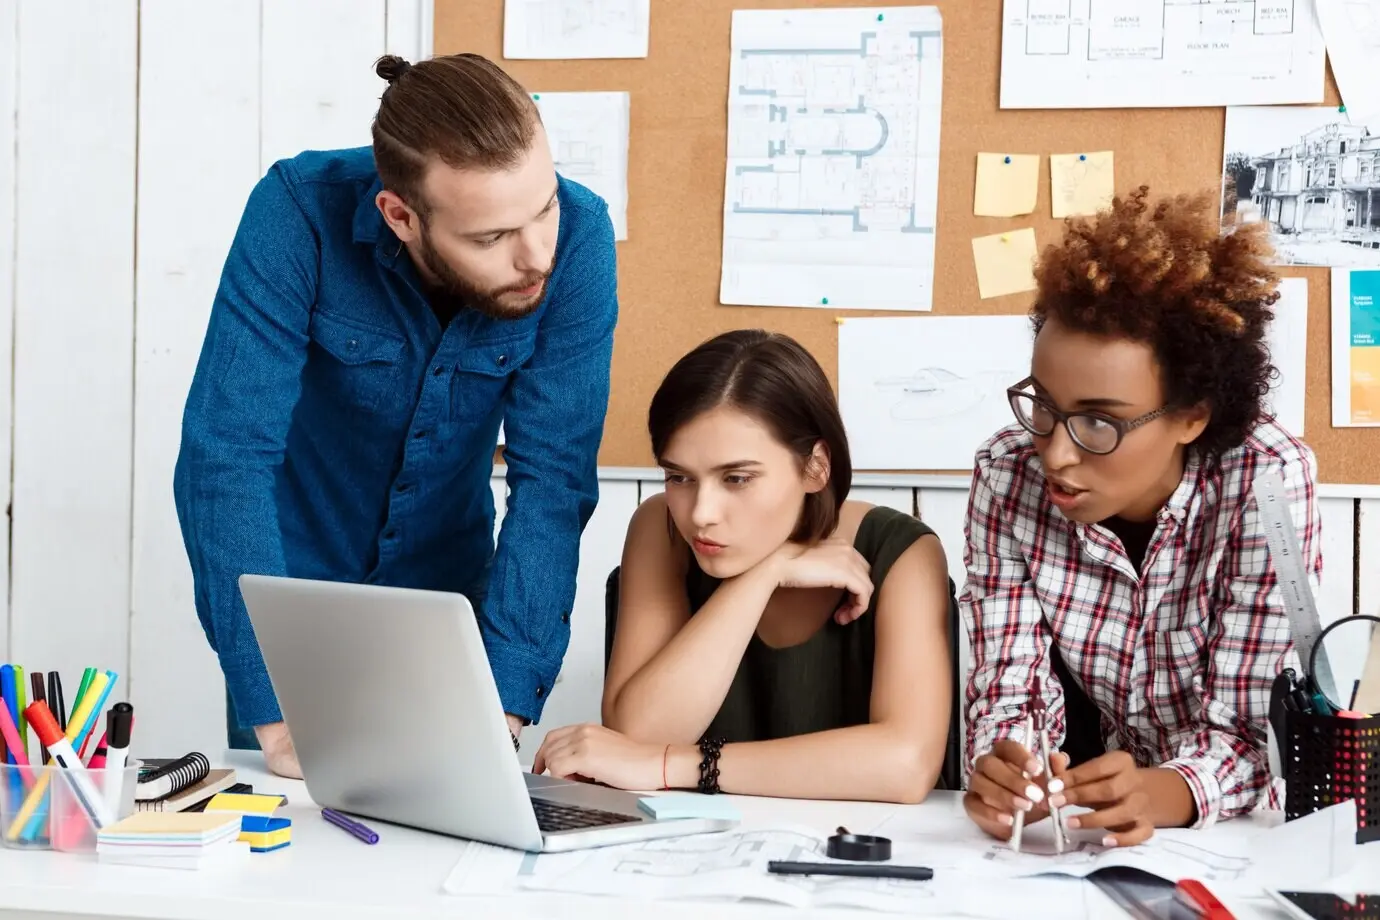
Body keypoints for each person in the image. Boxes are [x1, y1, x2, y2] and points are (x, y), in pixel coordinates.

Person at [173, 52, 618, 778]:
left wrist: (501, 706)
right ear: (400, 216)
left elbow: (554, 481)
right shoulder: (297, 212)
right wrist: (275, 705)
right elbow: (226, 454)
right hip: (291, 609)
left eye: (544, 208)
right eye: (490, 238)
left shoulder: (580, 242)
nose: (538, 255)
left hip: (448, 611)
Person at [960, 186, 1321, 847]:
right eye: (1043, 405)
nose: (1056, 453)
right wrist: (1006, 769)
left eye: (1100, 421)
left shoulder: (1265, 482)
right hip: (1076, 845)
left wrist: (1167, 791)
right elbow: (1007, 687)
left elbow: (1252, 734)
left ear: (1192, 416)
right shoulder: (1007, 474)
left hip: (1235, 841)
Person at [531, 330, 954, 804]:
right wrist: (764, 574)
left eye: (736, 478)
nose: (700, 513)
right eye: (679, 477)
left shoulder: (904, 552)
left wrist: (672, 765)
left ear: (815, 467)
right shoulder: (662, 527)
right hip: (699, 856)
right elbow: (640, 732)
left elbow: (905, 766)